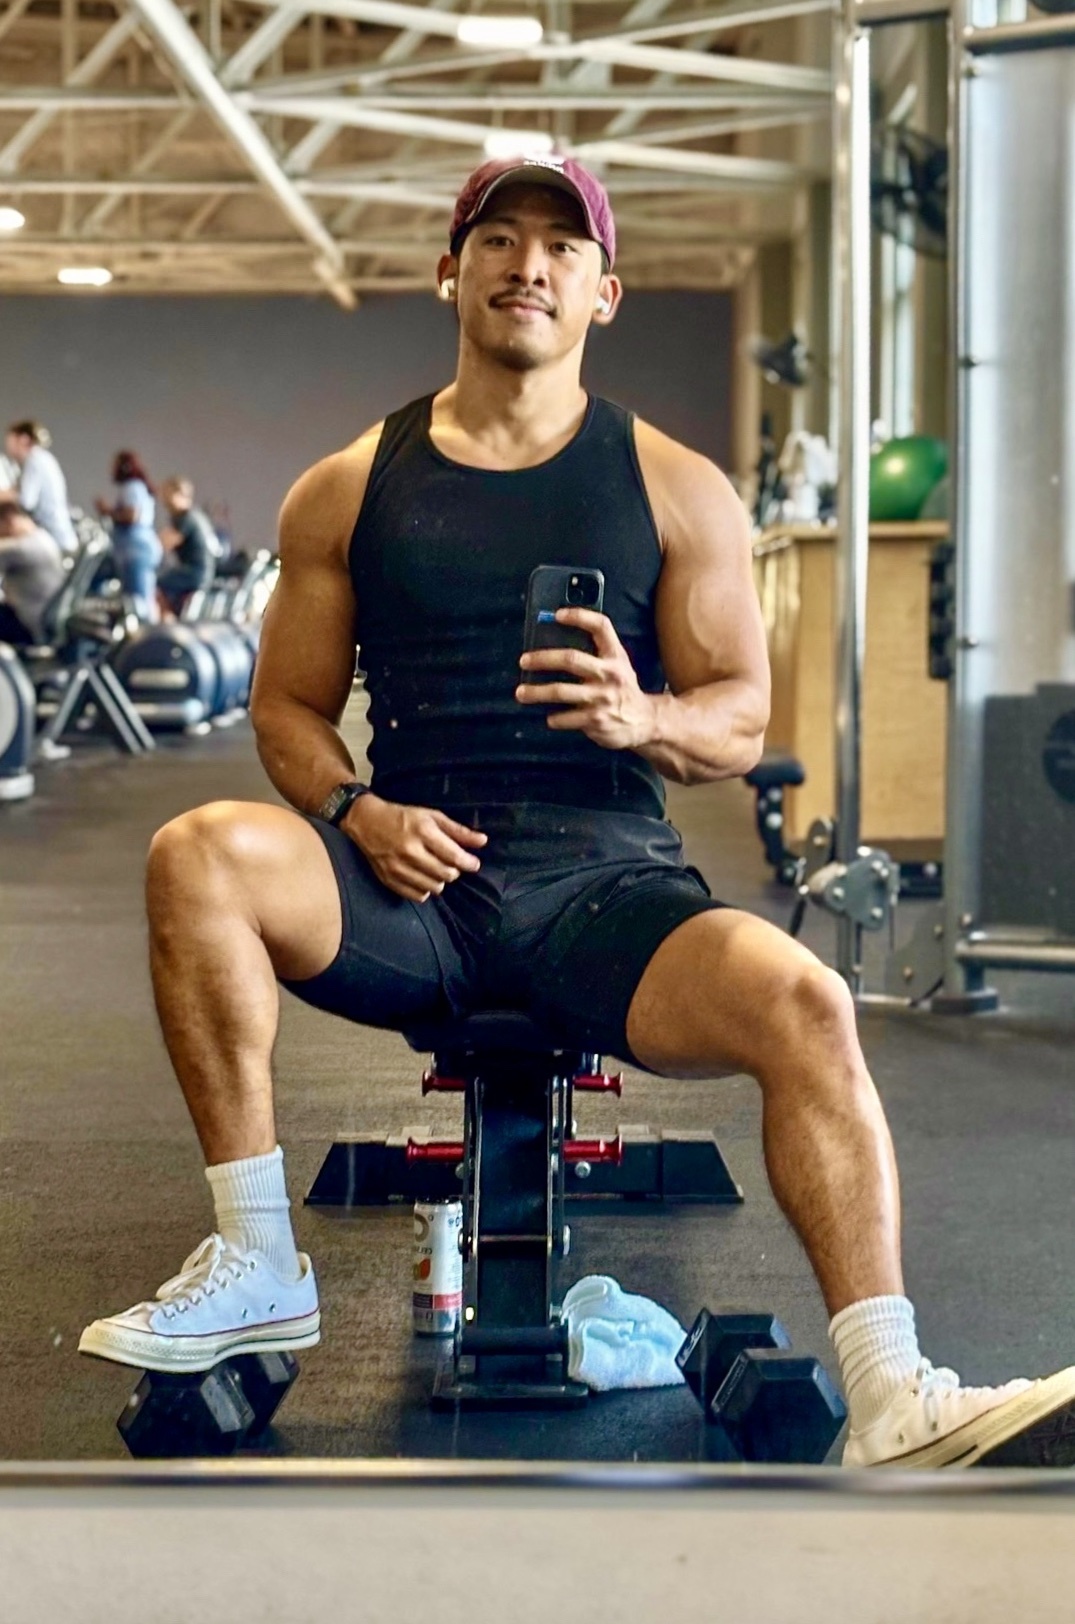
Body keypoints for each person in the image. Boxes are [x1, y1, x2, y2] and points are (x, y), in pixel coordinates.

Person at [79, 155, 1075, 1469]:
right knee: (194, 853)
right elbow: (284, 712)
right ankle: (258, 1258)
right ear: (452, 271)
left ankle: (890, 1394)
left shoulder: (674, 484)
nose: (526, 265)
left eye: (560, 246)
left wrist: (638, 718)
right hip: (410, 880)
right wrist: (356, 808)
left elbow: (737, 720)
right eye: (498, 238)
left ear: (601, 291)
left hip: (605, 891)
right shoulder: (345, 486)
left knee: (804, 1003)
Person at [95, 451, 162, 621]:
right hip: (137, 549)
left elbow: (132, 515)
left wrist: (107, 511)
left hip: (135, 550)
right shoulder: (137, 486)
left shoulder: (132, 487)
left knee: (139, 600)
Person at [1, 420, 79, 558]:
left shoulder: (34, 461)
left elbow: (26, 501)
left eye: (11, 441)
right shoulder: (43, 458)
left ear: (23, 439)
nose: (8, 447)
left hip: (52, 538)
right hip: (58, 535)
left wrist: (5, 495)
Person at [0, 500, 66, 645]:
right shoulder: (42, 537)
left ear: (9, 521)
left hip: (29, 624)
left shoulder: (23, 548)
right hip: (44, 616)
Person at [157, 476, 219, 616]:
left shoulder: (185, 518)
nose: (164, 500)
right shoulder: (197, 516)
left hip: (193, 573)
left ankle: (165, 624)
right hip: (203, 573)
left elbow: (164, 544)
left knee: (154, 585)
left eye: (168, 494)